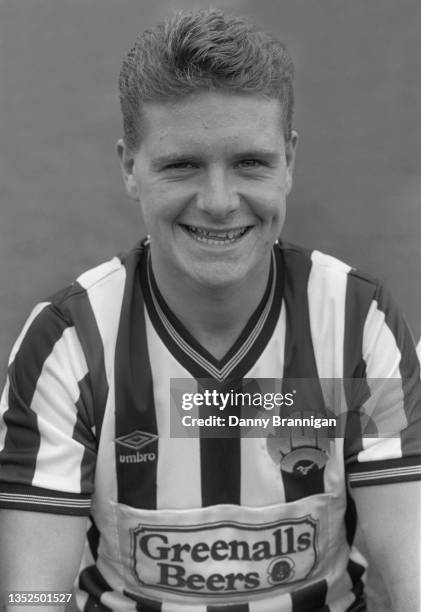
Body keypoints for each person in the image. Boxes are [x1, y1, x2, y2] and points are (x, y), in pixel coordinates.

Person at [0, 8, 420, 612]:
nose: (219, 201)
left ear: (290, 161)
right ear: (130, 168)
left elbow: (414, 570)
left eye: (250, 161)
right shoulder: (67, 341)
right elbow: (31, 596)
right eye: (182, 164)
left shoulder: (359, 324)